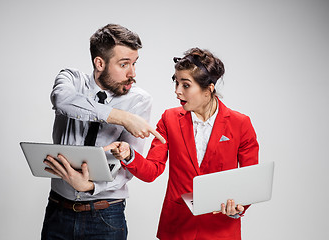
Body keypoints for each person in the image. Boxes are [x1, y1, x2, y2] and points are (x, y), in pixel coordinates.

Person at [107, 47, 259, 240]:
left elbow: (249, 181)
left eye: (185, 85)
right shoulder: (169, 119)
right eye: (176, 83)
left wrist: (238, 207)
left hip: (220, 230)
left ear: (209, 89)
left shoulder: (240, 124)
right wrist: (129, 155)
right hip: (177, 229)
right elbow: (152, 170)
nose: (177, 91)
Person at [41, 23, 165, 240]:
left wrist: (89, 186)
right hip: (58, 212)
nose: (132, 73)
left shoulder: (139, 99)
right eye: (124, 64)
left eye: (134, 63)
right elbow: (63, 101)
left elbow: (126, 166)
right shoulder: (71, 79)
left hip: (106, 215)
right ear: (100, 62)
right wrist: (123, 118)